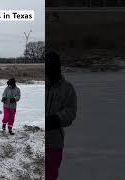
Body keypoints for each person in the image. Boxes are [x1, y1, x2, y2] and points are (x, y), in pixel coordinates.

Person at [46, 52, 77, 180]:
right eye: (48, 67)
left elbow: (71, 111)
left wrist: (57, 119)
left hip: (55, 142)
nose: (50, 70)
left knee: (51, 174)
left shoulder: (67, 88)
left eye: (53, 66)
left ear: (59, 67)